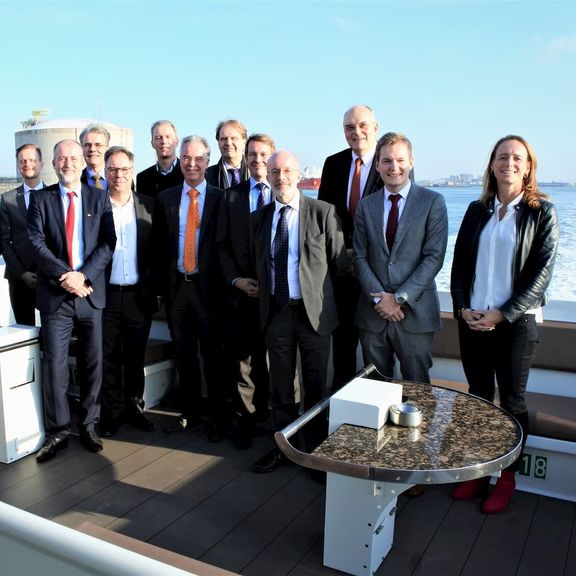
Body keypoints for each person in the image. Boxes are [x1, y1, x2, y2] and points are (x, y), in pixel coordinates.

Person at [450, 135, 559, 514]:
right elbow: (460, 265)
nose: (508, 163)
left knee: (512, 402)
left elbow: (541, 274)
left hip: (516, 324)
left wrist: (503, 313)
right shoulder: (476, 210)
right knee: (479, 396)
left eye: (517, 157)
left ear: (528, 166)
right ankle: (479, 470)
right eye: (501, 156)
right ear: (492, 164)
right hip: (473, 321)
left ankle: (507, 477)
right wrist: (463, 308)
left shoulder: (542, 212)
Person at [250, 150, 348, 473]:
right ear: (268, 173)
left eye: (287, 170)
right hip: (276, 311)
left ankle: (316, 452)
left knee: (316, 386)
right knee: (281, 386)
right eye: (274, 170)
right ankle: (285, 448)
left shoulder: (322, 212)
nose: (281, 176)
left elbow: (339, 266)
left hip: (314, 316)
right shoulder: (260, 218)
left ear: (297, 175)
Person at [28, 139, 116, 462]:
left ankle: (90, 425)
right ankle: (59, 432)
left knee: (94, 363)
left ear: (83, 162)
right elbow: (35, 243)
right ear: (53, 165)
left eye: (73, 158)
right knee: (55, 367)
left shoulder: (99, 196)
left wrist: (84, 277)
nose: (67, 163)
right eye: (61, 158)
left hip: (90, 295)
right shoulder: (41, 200)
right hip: (56, 296)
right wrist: (66, 276)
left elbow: (109, 241)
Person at [354, 132, 448, 384]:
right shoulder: (366, 206)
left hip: (415, 315)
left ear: (411, 161)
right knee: (375, 391)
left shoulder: (433, 202)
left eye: (400, 160)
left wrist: (398, 299)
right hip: (374, 315)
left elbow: (433, 258)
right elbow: (360, 257)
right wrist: (381, 300)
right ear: (377, 165)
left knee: (418, 393)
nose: (393, 167)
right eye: (386, 161)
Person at [155, 135, 228, 439]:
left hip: (208, 290)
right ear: (180, 161)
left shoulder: (223, 198)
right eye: (186, 158)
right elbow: (159, 245)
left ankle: (217, 416)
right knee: (184, 355)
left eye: (198, 159)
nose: (192, 164)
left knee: (213, 355)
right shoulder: (167, 199)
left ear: (208, 162)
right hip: (177, 290)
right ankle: (190, 412)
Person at [317, 105, 383, 390]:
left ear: (375, 127)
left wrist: (364, 258)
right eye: (349, 128)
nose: (356, 132)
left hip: (378, 275)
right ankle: (337, 419)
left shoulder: (389, 162)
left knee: (376, 352)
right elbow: (324, 216)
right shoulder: (334, 163)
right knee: (342, 349)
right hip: (341, 273)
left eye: (362, 125)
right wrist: (343, 256)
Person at [217, 133, 275, 448]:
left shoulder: (284, 195)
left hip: (276, 296)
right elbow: (221, 246)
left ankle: (274, 420)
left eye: (263, 154)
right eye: (252, 155)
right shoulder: (231, 197)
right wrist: (236, 280)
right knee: (242, 363)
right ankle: (245, 420)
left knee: (275, 361)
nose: (257, 160)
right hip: (241, 294)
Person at [100, 146, 158, 436]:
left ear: (131, 171)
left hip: (138, 294)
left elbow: (158, 251)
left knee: (135, 356)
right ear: (105, 172)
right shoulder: (95, 206)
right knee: (109, 356)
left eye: (123, 169)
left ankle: (134, 408)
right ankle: (110, 413)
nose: (118, 175)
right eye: (112, 169)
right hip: (106, 296)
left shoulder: (148, 205)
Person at [0, 144, 45, 325]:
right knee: (24, 331)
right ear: (18, 166)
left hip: (49, 277)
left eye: (32, 160)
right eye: (23, 161)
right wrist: (21, 273)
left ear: (41, 163)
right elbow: (4, 240)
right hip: (19, 279)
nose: (28, 164)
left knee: (53, 335)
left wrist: (47, 272)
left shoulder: (54, 195)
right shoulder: (7, 199)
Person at [136, 120, 184, 197]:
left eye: (168, 137)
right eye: (158, 137)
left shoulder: (188, 173)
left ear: (177, 142)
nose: (164, 141)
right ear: (152, 143)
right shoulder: (143, 178)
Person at [205, 119, 249, 189]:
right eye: (224, 139)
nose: (228, 143)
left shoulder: (255, 172)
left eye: (233, 138)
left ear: (244, 142)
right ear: (218, 142)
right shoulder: (206, 176)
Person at [80, 123, 110, 190]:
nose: (92, 149)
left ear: (107, 148)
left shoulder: (120, 179)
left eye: (98, 145)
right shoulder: (75, 180)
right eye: (87, 145)